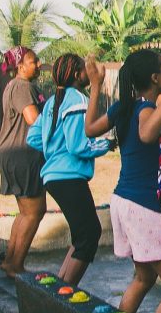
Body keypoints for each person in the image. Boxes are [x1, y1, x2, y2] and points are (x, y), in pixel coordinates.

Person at [84, 49, 161, 313]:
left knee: (144, 278)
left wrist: (95, 86)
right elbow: (146, 134)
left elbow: (90, 128)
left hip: (124, 201)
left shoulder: (125, 106)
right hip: (143, 206)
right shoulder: (145, 109)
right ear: (156, 79)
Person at [27, 54, 112, 287]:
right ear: (77, 75)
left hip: (54, 176)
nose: (89, 73)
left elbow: (33, 137)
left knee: (80, 234)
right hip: (68, 176)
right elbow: (78, 146)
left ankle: (59, 287)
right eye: (86, 70)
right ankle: (65, 293)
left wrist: (54, 149)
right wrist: (108, 144)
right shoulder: (77, 100)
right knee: (90, 235)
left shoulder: (53, 101)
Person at [0, 46, 46, 278]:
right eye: (33, 61)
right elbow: (33, 120)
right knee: (35, 211)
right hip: (22, 154)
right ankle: (16, 265)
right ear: (20, 66)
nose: (38, 64)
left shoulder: (13, 86)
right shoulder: (23, 87)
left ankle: (10, 261)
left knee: (26, 212)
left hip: (11, 153)